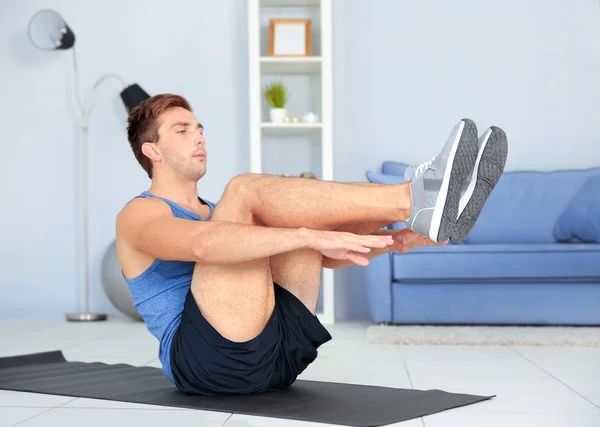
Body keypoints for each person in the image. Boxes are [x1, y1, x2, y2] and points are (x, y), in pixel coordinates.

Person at [115, 93, 504, 396]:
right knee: (246, 189)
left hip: (281, 355)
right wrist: (306, 235)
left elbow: (319, 254)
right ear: (153, 151)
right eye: (182, 131)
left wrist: (393, 240)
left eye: (199, 128)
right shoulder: (138, 215)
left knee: (282, 216)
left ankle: (414, 210)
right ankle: (413, 196)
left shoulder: (221, 213)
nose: (199, 136)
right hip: (208, 362)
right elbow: (202, 246)